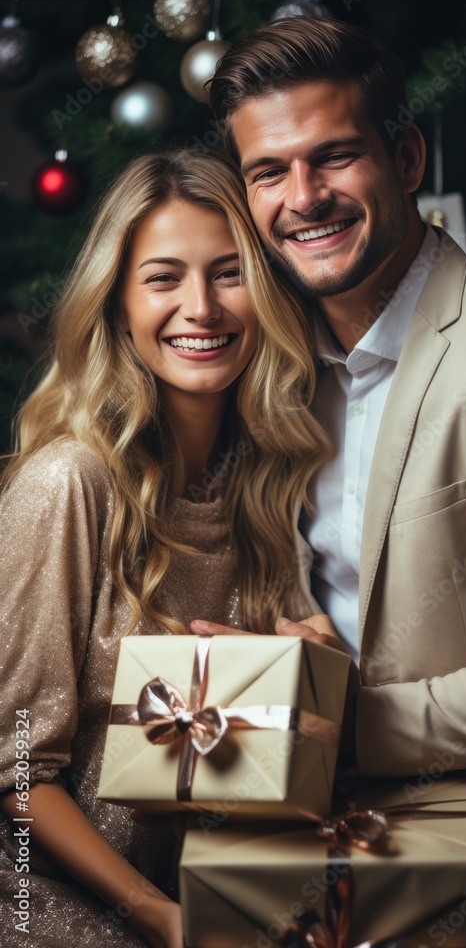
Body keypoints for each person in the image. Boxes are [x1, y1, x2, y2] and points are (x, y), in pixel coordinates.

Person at [187, 17, 466, 944]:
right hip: (286, 841)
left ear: (405, 156)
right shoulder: (264, 357)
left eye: (335, 158)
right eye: (269, 173)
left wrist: (344, 730)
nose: (303, 198)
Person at [0, 147, 331, 948]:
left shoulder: (267, 486)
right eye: (162, 278)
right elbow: (13, 770)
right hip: (50, 908)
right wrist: (151, 916)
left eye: (228, 274)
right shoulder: (69, 484)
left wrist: (314, 682)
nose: (202, 308)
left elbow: (249, 768)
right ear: (116, 308)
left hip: (205, 895)